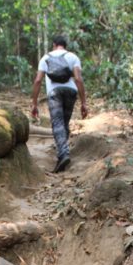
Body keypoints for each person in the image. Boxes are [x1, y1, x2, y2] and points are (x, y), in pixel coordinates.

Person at [31, 35, 88, 172]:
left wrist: (34, 104)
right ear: (65, 45)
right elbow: (78, 79)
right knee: (64, 123)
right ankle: (63, 151)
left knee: (57, 123)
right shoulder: (73, 57)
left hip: (55, 93)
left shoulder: (45, 58)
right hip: (71, 92)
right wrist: (84, 103)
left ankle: (63, 154)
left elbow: (38, 81)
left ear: (54, 44)